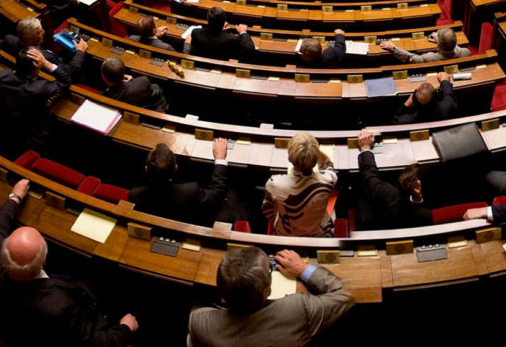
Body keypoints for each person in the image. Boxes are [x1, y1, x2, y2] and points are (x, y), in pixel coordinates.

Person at [0, 178, 138, 344]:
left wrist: (15, 197)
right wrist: (125, 328)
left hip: (9, 324)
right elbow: (96, 342)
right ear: (45, 259)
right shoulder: (59, 307)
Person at [187, 246, 353, 346]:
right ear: (267, 291)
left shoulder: (198, 322)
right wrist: (303, 269)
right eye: (270, 269)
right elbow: (346, 294)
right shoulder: (298, 311)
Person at [128, 140, 237, 224]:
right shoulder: (191, 191)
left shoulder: (134, 195)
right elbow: (216, 195)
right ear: (176, 167)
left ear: (146, 169)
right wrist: (220, 158)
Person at [262, 133, 338, 236]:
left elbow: (267, 212)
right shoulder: (328, 179)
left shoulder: (274, 183)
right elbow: (328, 164)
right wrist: (312, 152)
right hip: (320, 233)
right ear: (315, 161)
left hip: (285, 234)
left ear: (289, 158)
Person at [355, 129, 432, 229]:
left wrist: (365, 147)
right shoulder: (425, 216)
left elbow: (369, 175)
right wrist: (416, 199)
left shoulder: (388, 194)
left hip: (371, 224)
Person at [100, 56, 167, 112]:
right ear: (123, 73)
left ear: (104, 77)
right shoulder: (142, 83)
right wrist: (133, 80)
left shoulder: (103, 98)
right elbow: (157, 90)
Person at [188, 6, 255, 60]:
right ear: (224, 21)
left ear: (207, 19)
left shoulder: (196, 33)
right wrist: (243, 32)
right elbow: (250, 50)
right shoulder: (232, 39)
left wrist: (219, 29)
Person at [380, 27, 470, 63]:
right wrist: (440, 42)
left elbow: (411, 58)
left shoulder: (430, 58)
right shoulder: (466, 53)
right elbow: (454, 47)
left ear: (440, 46)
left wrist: (393, 48)